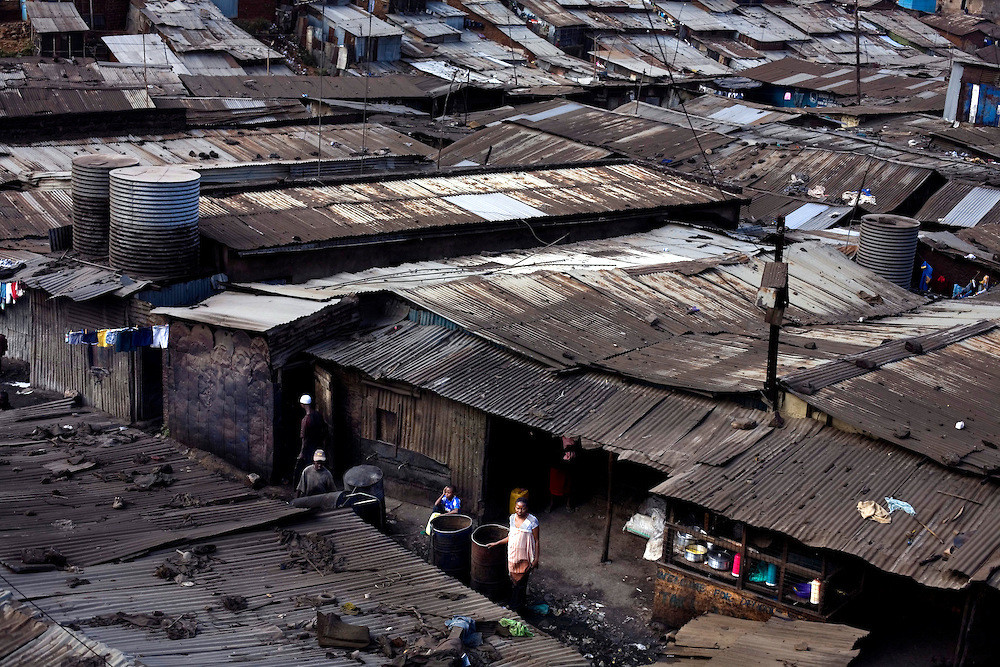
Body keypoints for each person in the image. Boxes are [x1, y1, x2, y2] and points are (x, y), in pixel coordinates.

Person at [487, 497, 539, 610]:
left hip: (525, 556)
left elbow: (536, 541)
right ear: (514, 507)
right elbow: (511, 536)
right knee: (514, 581)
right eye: (517, 508)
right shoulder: (512, 518)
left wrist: (536, 559)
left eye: (522, 508)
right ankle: (518, 603)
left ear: (527, 508)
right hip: (513, 555)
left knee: (522, 582)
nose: (520, 511)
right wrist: (497, 543)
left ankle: (516, 607)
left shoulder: (532, 521)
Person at [295, 394, 328, 481]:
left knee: (310, 466)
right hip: (319, 445)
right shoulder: (318, 415)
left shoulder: (305, 420)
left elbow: (304, 438)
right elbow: (324, 429)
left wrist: (301, 452)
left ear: (302, 405)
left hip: (309, 448)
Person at [547, 435, 581, 512]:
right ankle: (551, 504)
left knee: (568, 486)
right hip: (556, 465)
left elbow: (577, 450)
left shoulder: (575, 439)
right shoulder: (557, 439)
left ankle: (568, 504)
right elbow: (553, 451)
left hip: (568, 466)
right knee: (554, 487)